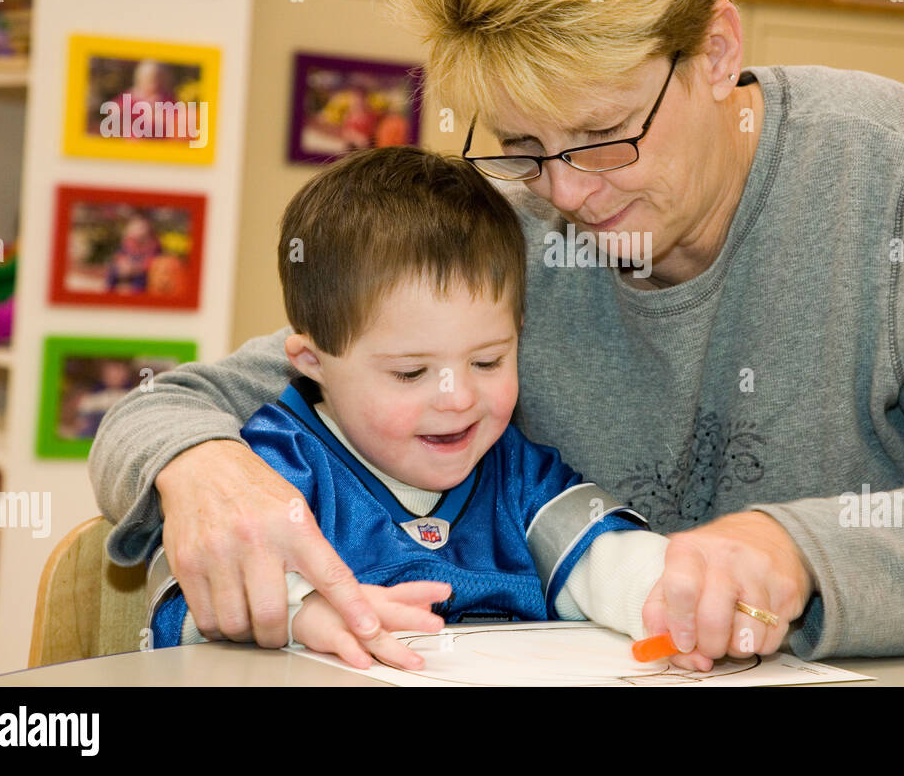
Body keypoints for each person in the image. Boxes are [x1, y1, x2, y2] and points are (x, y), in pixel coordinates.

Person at [90, 0, 904, 671]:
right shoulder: (515, 219)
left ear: (715, 51)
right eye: (522, 145)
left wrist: (797, 551)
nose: (566, 191)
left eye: (602, 135)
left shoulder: (886, 179)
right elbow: (180, 402)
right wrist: (200, 461)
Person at [144, 147, 669, 668]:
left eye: (487, 362)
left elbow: (610, 563)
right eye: (410, 373)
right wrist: (300, 616)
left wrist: (671, 593)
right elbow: (182, 597)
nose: (458, 398)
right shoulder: (274, 470)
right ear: (312, 362)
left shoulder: (518, 474)